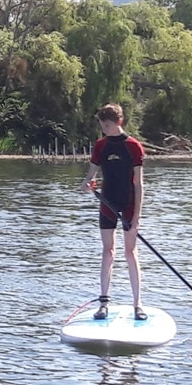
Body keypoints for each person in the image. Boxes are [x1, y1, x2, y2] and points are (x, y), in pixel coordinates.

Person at [81, 103, 146, 320]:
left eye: (107, 125)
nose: (104, 129)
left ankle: (138, 304)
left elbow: (138, 184)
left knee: (130, 252)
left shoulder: (134, 146)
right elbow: (89, 177)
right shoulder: (100, 146)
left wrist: (136, 218)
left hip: (128, 204)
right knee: (108, 252)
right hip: (107, 203)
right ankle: (104, 303)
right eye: (102, 125)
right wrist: (87, 184)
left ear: (119, 122)